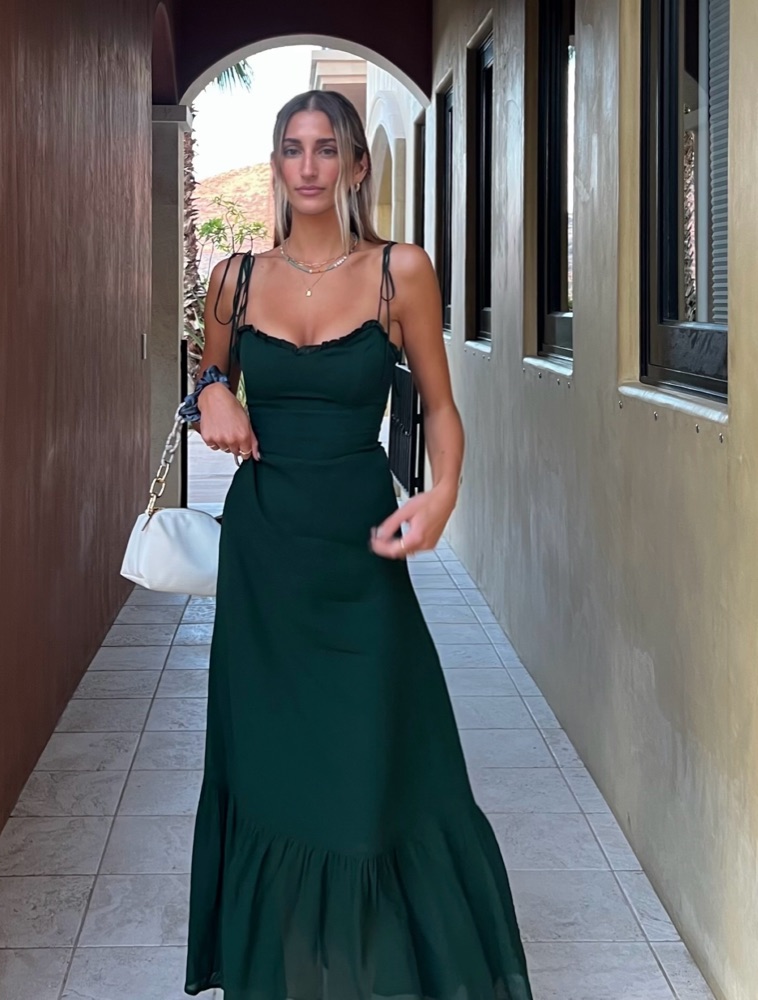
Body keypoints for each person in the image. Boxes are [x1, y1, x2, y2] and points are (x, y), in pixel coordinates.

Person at [184, 89, 533, 1000]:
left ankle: (384, 966)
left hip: (359, 552)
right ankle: (283, 970)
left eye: (327, 148)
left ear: (356, 164)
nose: (308, 166)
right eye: (292, 148)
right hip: (264, 555)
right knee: (270, 770)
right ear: (276, 163)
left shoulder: (398, 273)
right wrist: (210, 392)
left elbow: (441, 408)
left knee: (377, 756)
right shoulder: (234, 279)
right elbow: (209, 374)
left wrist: (442, 494)